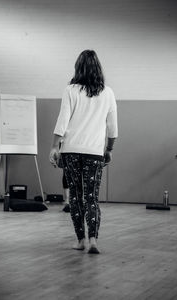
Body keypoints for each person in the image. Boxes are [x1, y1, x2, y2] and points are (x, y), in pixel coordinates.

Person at [49, 50, 118, 254]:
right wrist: (109, 149)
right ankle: (94, 240)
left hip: (71, 150)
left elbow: (62, 122)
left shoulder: (70, 90)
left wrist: (54, 147)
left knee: (76, 197)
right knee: (91, 197)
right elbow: (113, 128)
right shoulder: (108, 92)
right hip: (95, 152)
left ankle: (80, 240)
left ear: (78, 68)